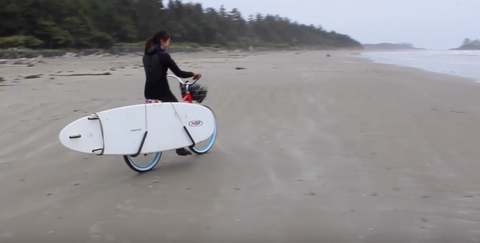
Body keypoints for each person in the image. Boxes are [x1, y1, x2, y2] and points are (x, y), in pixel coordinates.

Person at [142, 30, 202, 156]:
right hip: (162, 92)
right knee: (178, 115)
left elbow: (154, 72)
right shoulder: (164, 56)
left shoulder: (146, 55)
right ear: (162, 41)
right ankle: (179, 147)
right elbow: (179, 73)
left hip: (148, 92)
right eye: (168, 41)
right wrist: (193, 73)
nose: (168, 44)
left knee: (159, 118)